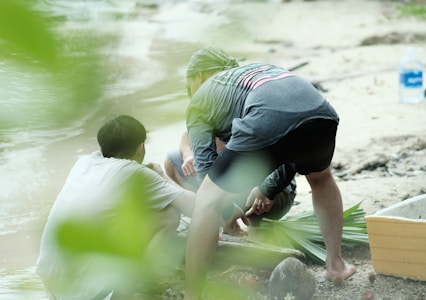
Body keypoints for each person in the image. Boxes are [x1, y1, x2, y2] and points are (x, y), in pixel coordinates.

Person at [183, 47, 356, 299]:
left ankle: (192, 294)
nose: (189, 93)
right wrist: (268, 189)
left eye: (188, 85)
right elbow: (286, 144)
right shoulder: (253, 71)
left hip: (268, 113)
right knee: (320, 178)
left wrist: (224, 209)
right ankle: (336, 265)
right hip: (321, 112)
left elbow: (205, 170)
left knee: (205, 201)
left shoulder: (200, 100)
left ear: (199, 76)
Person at [36, 115, 196, 300]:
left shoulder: (83, 163)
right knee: (169, 215)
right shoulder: (135, 173)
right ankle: (130, 290)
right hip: (83, 292)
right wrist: (162, 175)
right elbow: (196, 207)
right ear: (140, 147)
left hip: (50, 279)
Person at [164, 131, 297, 231]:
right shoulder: (204, 110)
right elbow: (186, 135)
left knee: (234, 169)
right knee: (173, 158)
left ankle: (242, 223)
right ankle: (219, 219)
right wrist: (188, 155)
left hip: (275, 191)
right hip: (234, 185)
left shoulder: (242, 108)